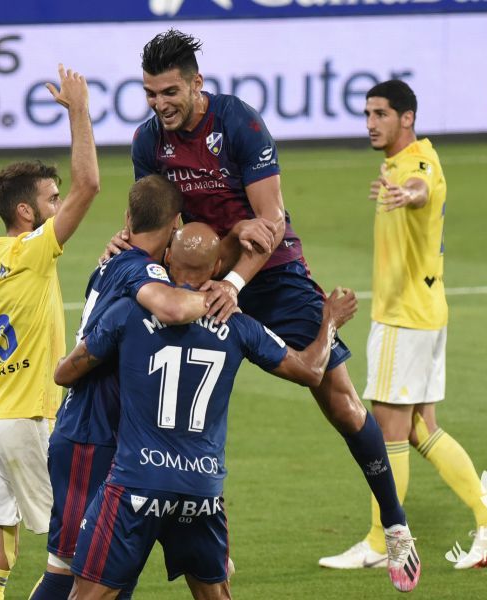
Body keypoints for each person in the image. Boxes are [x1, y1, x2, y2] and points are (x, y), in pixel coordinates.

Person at [124, 29, 419, 591]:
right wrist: (138, 250)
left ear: (196, 84)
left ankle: (396, 524)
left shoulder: (239, 123)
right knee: (178, 405)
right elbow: (158, 220)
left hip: (273, 274)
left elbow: (271, 222)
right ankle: (208, 538)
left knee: (340, 402)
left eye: (169, 92)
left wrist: (235, 281)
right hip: (202, 277)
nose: (160, 104)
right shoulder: (148, 142)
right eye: (150, 94)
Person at [58, 223, 359, 600]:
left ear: (168, 258)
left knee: (87, 596)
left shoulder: (127, 312)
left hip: (136, 483)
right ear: (217, 267)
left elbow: (64, 374)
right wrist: (330, 321)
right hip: (200, 489)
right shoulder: (238, 324)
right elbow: (311, 370)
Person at [28, 176, 258, 600]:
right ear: (175, 225)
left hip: (114, 438)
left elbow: (194, 266)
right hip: (90, 433)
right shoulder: (142, 271)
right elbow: (173, 305)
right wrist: (225, 294)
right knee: (69, 571)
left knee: (113, 575)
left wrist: (230, 240)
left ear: (127, 219)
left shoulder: (123, 260)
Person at [320, 80, 487, 571]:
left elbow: (422, 190)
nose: (370, 123)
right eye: (367, 113)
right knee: (422, 428)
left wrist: (406, 195)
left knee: (387, 431)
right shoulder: (404, 160)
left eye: (381, 114)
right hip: (425, 312)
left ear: (407, 117)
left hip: (403, 317)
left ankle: (381, 541)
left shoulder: (416, 166)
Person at [0, 65, 99, 600]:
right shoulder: (33, 251)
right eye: (51, 199)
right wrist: (79, 112)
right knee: (76, 547)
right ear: (25, 211)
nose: (58, 206)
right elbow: (90, 186)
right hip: (28, 419)